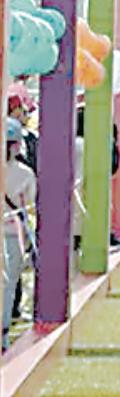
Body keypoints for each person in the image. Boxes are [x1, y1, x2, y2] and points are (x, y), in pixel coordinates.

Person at [3, 121, 36, 347]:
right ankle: (3, 334)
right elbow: (30, 205)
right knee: (8, 284)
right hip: (12, 234)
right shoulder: (25, 173)